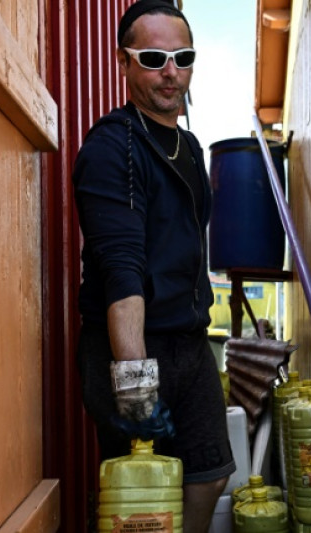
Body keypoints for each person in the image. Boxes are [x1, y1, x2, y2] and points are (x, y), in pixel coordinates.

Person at [71, 1, 234, 531]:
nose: (170, 71)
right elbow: (121, 273)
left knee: (209, 475)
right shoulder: (112, 146)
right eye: (153, 58)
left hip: (188, 342)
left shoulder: (188, 146)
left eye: (182, 58)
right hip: (132, 346)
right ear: (124, 62)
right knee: (141, 499)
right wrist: (135, 385)